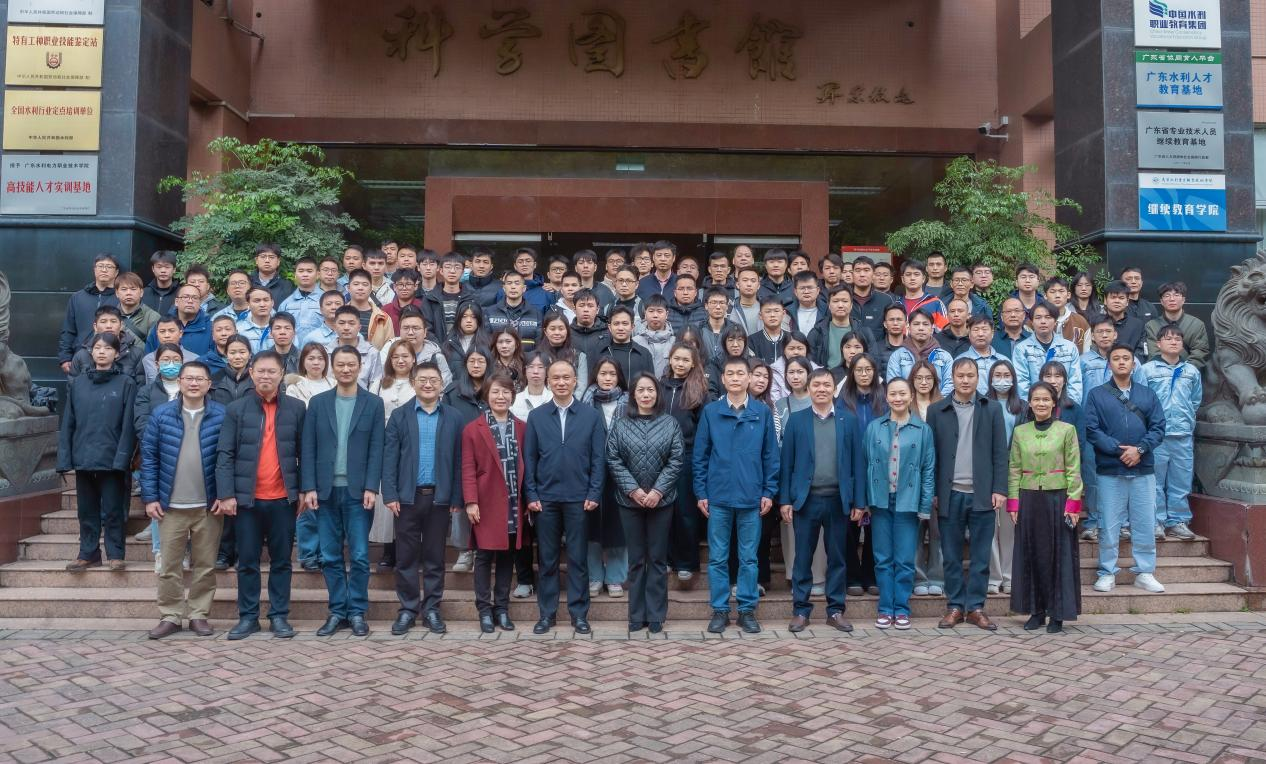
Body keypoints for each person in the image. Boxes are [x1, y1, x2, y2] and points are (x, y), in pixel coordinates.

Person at [215, 350, 306, 640]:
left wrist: (304, 490)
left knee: (281, 561)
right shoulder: (236, 409)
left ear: (282, 375)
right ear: (251, 373)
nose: (266, 376)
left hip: (283, 499)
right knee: (247, 562)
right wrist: (226, 494)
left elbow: (305, 453)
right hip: (247, 500)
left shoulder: (296, 408)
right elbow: (225, 454)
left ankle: (279, 616)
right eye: (261, 371)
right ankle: (248, 617)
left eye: (272, 371)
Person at [301, 346, 386, 637]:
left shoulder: (373, 403)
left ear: (360, 367)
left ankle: (357, 611)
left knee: (360, 555)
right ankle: (338, 611)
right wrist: (309, 487)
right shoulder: (318, 403)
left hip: (358, 492)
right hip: (325, 491)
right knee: (330, 555)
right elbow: (308, 447)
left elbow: (377, 448)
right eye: (340, 364)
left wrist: (372, 486)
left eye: (351, 364)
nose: (346, 369)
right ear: (332, 367)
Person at [140, 361, 226, 639]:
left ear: (209, 384)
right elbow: (149, 458)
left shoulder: (221, 415)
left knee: (205, 565)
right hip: (170, 506)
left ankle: (199, 614)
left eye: (199, 379)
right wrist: (150, 497)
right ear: (180, 382)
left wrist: (224, 495)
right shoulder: (161, 414)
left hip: (208, 505)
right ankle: (171, 615)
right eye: (188, 378)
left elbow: (228, 458)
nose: (194, 383)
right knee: (169, 566)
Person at [694, 357, 779, 635]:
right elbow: (700, 456)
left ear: (749, 378)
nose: (735, 378)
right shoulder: (711, 412)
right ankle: (720, 610)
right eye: (729, 373)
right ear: (722, 379)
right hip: (718, 497)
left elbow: (770, 456)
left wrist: (769, 491)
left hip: (751, 497)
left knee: (749, 558)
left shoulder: (761, 412)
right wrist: (701, 492)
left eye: (740, 373)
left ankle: (746, 610)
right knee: (718, 558)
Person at [778, 368, 866, 633]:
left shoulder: (848, 420)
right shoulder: (797, 420)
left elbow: (858, 463)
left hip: (838, 500)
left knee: (837, 558)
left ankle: (835, 610)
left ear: (834, 389)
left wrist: (859, 502)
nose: (821, 389)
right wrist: (785, 500)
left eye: (827, 385)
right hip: (806, 500)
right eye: (816, 385)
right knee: (802, 557)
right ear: (809, 388)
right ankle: (800, 610)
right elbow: (787, 463)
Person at [524, 359, 608, 635]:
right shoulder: (537, 417)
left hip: (579, 498)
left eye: (566, 377)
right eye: (556, 378)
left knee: (578, 559)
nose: (561, 382)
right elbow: (529, 459)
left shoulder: (590, 416)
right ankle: (546, 614)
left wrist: (594, 492)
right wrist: (531, 493)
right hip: (545, 499)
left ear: (575, 381)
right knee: (547, 559)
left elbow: (599, 459)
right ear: (548, 382)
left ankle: (579, 614)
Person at [380, 361, 464, 635]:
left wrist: (456, 496)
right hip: (407, 498)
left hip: (439, 498)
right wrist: (390, 493)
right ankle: (407, 609)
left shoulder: (453, 417)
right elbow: (389, 458)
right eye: (423, 380)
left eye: (433, 380)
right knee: (405, 557)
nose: (428, 384)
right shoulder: (400, 416)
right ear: (413, 383)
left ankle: (432, 609)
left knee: (434, 557)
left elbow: (459, 460)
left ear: (441, 385)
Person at [926, 358, 1008, 631]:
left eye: (970, 375)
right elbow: (932, 456)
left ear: (977, 377)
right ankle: (955, 606)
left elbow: (1000, 452)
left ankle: (975, 607)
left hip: (982, 494)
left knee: (981, 557)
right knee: (950, 555)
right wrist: (934, 492)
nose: (965, 380)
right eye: (960, 375)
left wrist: (1000, 489)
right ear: (952, 376)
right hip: (949, 494)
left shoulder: (992, 409)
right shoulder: (937, 410)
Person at [607, 373, 685, 633]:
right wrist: (634, 490)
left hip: (661, 502)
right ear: (633, 394)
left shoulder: (670, 424)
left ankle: (656, 615)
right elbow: (613, 459)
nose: (646, 394)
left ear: (657, 393)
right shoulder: (621, 425)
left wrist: (658, 491)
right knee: (636, 560)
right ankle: (636, 614)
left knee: (657, 559)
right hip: (629, 502)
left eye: (650, 390)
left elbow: (676, 459)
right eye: (640, 390)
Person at [1086, 345, 1167, 595]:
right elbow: (1092, 429)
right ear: (1109, 364)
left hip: (1143, 469)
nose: (1121, 362)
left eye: (1126, 358)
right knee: (1109, 524)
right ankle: (1107, 572)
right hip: (1110, 470)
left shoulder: (1147, 394)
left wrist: (1139, 450)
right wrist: (1118, 450)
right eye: (1116, 358)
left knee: (1144, 523)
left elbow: (1158, 427)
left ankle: (1145, 572)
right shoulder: (1097, 395)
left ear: (1134, 364)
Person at [1008, 381, 1085, 633]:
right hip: (1029, 498)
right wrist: (1013, 502)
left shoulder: (1067, 430)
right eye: (1036, 399)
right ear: (1029, 404)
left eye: (1046, 399)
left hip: (1058, 498)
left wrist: (1073, 504)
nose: (1041, 403)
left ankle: (1057, 613)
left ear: (1054, 403)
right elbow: (1014, 468)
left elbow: (1074, 468)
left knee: (1058, 556)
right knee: (1032, 555)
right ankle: (1036, 611)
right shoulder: (1021, 432)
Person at [58, 332, 137, 572]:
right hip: (84, 455)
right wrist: (65, 458)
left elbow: (128, 425)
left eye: (108, 348)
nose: (102, 352)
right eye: (98, 347)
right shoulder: (78, 383)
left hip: (112, 459)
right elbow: (69, 422)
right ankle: (88, 553)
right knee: (86, 510)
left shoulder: (126, 383)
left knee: (113, 510)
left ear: (117, 353)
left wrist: (122, 458)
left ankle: (115, 554)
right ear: (91, 351)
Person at [862, 377, 935, 631]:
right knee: (882, 557)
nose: (898, 398)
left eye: (903, 393)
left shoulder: (922, 430)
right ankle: (885, 608)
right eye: (893, 393)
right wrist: (864, 501)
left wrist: (924, 505)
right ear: (886, 397)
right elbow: (865, 464)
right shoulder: (874, 427)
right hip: (880, 500)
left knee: (904, 558)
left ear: (911, 396)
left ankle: (901, 608)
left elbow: (928, 470)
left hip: (908, 499)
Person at [459, 372, 526, 633]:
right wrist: (470, 501)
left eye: (506, 392)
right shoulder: (472, 429)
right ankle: (484, 610)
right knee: (484, 556)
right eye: (495, 391)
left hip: (513, 503)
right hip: (485, 503)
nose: (501, 396)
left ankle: (502, 609)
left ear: (512, 396)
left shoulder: (522, 427)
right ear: (486, 395)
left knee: (508, 556)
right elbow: (467, 468)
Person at [1141, 325, 1202, 541]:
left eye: (1177, 338)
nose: (1174, 342)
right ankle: (1156, 522)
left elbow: (1195, 400)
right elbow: (1140, 400)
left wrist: (1186, 419)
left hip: (1183, 435)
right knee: (1154, 481)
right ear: (1158, 344)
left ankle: (1178, 521)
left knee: (1181, 481)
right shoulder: (1147, 370)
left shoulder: (1191, 371)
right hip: (1156, 436)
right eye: (1168, 338)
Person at [837, 354, 885, 596]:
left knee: (876, 526)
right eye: (859, 370)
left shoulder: (883, 398)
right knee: (850, 525)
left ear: (875, 372)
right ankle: (852, 576)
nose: (864, 374)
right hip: (850, 470)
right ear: (852, 373)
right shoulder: (842, 400)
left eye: (868, 369)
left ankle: (871, 574)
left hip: (879, 470)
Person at [660, 343, 709, 581]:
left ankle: (686, 562)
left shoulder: (699, 390)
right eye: (676, 358)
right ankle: (666, 558)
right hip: (659, 456)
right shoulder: (659, 386)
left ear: (693, 364)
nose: (680, 364)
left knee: (685, 511)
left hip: (687, 455)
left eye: (685, 360)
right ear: (670, 359)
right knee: (663, 510)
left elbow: (703, 428)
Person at [581, 357, 628, 598]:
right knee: (591, 525)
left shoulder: (629, 402)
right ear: (595, 376)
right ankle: (594, 576)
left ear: (619, 377)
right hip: (591, 472)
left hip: (621, 473)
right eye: (603, 373)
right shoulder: (585, 402)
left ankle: (616, 577)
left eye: (612, 374)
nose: (607, 378)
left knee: (618, 526)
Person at [368, 342, 417, 572]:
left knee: (408, 495)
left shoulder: (419, 383)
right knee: (386, 495)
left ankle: (408, 550)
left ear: (413, 359)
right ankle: (389, 550)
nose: (401, 360)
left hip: (410, 444)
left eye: (405, 356)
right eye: (396, 356)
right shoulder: (379, 384)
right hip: (384, 442)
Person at [284, 343, 333, 572]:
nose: (316, 362)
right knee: (307, 505)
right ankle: (308, 553)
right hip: (305, 450)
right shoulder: (295, 387)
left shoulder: (334, 384)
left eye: (320, 358)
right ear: (303, 361)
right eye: (311, 358)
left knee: (328, 506)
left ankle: (326, 552)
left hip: (331, 451)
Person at [986, 359, 1025, 594]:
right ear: (990, 378)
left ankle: (1009, 576)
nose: (1002, 380)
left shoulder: (1023, 406)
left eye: (1006, 375)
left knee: (1009, 526)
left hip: (1014, 471)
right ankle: (994, 577)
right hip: (988, 470)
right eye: (997, 375)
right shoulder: (983, 403)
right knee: (990, 527)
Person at [908, 360, 945, 600]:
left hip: (939, 476)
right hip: (912, 479)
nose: (923, 382)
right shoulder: (905, 405)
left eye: (928, 378)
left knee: (938, 532)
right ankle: (918, 577)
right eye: (919, 378)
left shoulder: (943, 406)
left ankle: (938, 578)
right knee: (915, 532)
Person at [58, 253, 120, 374]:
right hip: (81, 356)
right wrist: (65, 357)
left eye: (109, 266)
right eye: (100, 266)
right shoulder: (78, 297)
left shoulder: (120, 297)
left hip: (113, 358)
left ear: (116, 272)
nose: (104, 270)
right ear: (94, 269)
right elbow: (68, 330)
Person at [1014, 301, 1084, 403]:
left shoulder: (1070, 348)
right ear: (1032, 322)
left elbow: (1075, 382)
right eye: (1038, 317)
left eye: (1048, 317)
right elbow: (1022, 384)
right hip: (1036, 407)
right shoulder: (1022, 349)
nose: (1043, 321)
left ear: (1055, 321)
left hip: (1064, 406)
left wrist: (1070, 407)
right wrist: (1032, 406)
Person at [69, 305, 145, 387]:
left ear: (121, 325)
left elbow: (140, 387)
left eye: (113, 321)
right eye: (103, 322)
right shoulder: (82, 355)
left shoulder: (136, 354)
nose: (109, 326)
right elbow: (73, 387)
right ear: (95, 326)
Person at [1145, 281, 1210, 370]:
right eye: (1167, 295)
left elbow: (1200, 352)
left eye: (1176, 295)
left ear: (1183, 300)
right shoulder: (1152, 325)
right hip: (1160, 373)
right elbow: (1154, 353)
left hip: (1189, 373)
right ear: (1161, 301)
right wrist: (1167, 371)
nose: (1172, 299)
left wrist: (1183, 370)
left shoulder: (1196, 324)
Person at [384, 307, 451, 387]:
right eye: (406, 328)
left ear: (425, 332)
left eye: (415, 328)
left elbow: (445, 387)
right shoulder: (388, 350)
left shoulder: (436, 357)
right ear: (400, 331)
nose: (410, 333)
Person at [887, 310, 952, 393]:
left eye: (925, 324)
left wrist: (937, 401)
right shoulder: (897, 356)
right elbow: (893, 385)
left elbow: (949, 385)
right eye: (916, 324)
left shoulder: (944, 356)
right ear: (908, 328)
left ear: (932, 329)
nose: (921, 328)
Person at [327, 305, 384, 389]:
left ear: (359, 327)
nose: (346, 328)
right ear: (335, 326)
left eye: (351, 323)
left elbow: (375, 384)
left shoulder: (372, 353)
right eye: (342, 323)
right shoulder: (325, 352)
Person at [486, 270, 544, 350]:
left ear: (524, 288)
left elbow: (539, 344)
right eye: (509, 283)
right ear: (504, 288)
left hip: (528, 357)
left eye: (517, 283)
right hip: (498, 357)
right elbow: (486, 342)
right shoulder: (490, 312)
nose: (513, 287)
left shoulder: (536, 313)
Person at [596, 306, 654, 384]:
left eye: (625, 323)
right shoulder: (599, 353)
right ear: (609, 327)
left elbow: (650, 384)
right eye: (616, 324)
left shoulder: (644, 354)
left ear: (632, 327)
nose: (620, 328)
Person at [848, 256, 896, 339]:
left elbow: (891, 331)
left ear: (873, 274)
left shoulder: (886, 300)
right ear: (852, 274)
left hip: (877, 346)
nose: (862, 274)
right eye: (858, 270)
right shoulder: (844, 299)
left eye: (866, 270)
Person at [345, 269, 394, 349]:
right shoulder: (339, 315)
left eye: (365, 284)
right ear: (348, 288)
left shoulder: (383, 318)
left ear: (371, 289)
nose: (360, 288)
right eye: (356, 284)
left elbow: (389, 349)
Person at [961, 315, 1007, 395]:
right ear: (969, 334)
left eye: (984, 329)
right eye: (976, 330)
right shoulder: (960, 361)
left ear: (992, 333)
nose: (980, 334)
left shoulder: (1004, 361)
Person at [114, 271, 161, 346]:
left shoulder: (153, 317)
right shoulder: (110, 316)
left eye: (133, 289)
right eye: (124, 289)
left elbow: (153, 348)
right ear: (117, 293)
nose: (128, 293)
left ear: (141, 292)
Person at [897, 260, 947, 328]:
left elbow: (944, 330)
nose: (912, 278)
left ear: (923, 278)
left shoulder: (935, 303)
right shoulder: (897, 304)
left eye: (916, 274)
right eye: (908, 274)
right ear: (903, 279)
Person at [1044, 277, 1090, 351]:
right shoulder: (1036, 321)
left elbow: (1086, 353)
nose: (1057, 295)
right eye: (1052, 292)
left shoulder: (1081, 322)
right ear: (1045, 296)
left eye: (1061, 291)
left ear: (1068, 295)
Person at [1101, 281, 1145, 358]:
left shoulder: (1138, 325)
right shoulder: (1097, 323)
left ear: (1127, 301)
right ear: (1105, 300)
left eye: (1121, 298)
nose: (1117, 301)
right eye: (1113, 297)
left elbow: (1141, 352)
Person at [636, 295, 676, 376]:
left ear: (667, 314)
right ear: (645, 313)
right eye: (651, 311)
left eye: (659, 311)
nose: (655, 315)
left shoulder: (674, 342)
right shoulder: (635, 342)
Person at [210, 336, 255, 406]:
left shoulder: (257, 378)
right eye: (232, 353)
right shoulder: (215, 380)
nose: (237, 357)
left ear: (250, 355)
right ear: (226, 355)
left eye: (242, 352)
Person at [379, 268, 424, 334]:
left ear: (415, 286)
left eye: (408, 284)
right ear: (394, 287)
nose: (404, 288)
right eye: (400, 284)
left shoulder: (423, 307)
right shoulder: (385, 310)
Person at [142, 250, 181, 315]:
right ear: (153, 269)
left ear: (174, 269)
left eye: (167, 267)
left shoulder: (181, 293)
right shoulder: (144, 293)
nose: (163, 270)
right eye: (159, 267)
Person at [728, 267, 763, 335]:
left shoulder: (766, 308)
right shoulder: (729, 309)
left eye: (753, 281)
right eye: (745, 280)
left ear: (758, 285)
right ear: (737, 285)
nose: (749, 284)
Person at [874, 304, 907, 375]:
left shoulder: (912, 347)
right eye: (891, 320)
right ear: (885, 324)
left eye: (899, 319)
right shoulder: (876, 348)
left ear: (906, 323)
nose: (895, 323)